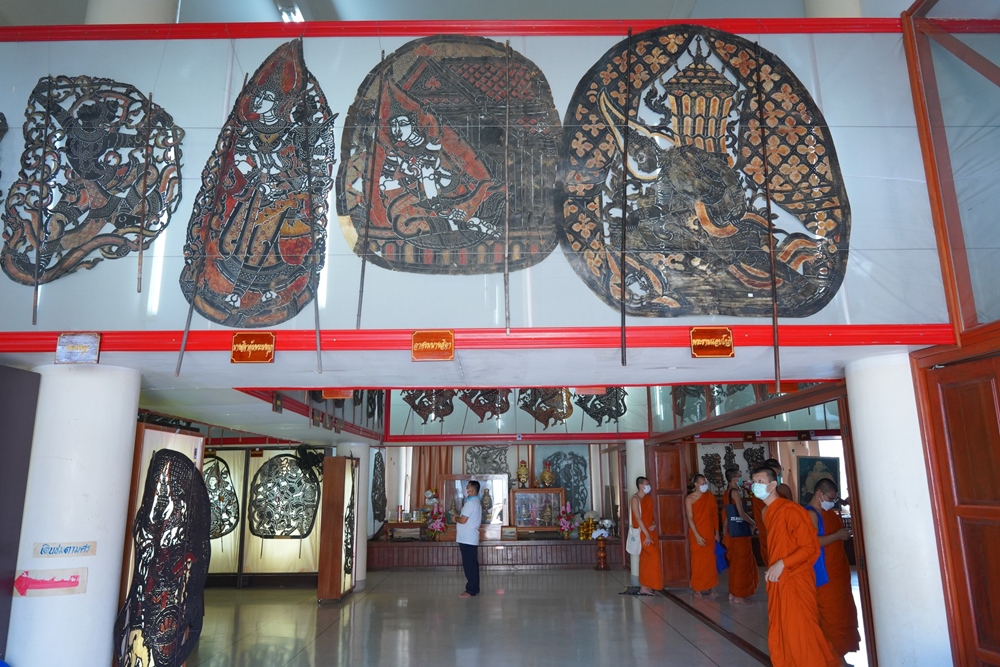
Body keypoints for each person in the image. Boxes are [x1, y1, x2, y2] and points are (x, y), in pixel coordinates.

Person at [752, 466, 837, 667]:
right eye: (754, 482)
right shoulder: (767, 512)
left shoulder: (790, 510)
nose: (756, 486)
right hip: (779, 579)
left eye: (760, 482)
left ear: (773, 485)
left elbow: (810, 547)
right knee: (783, 630)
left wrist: (782, 563)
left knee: (802, 632)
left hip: (796, 579)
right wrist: (777, 566)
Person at [808, 478, 861, 666]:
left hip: (838, 573)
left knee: (842, 615)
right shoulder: (810, 514)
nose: (832, 502)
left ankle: (840, 656)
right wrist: (837, 535)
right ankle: (832, 658)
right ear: (819, 494)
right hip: (824, 575)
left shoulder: (828, 513)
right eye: (830, 498)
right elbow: (811, 542)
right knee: (830, 618)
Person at [723, 468, 758, 604]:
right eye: (739, 476)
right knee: (742, 564)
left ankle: (733, 592)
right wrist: (753, 522)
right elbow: (741, 513)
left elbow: (727, 516)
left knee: (735, 564)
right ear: (734, 479)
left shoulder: (727, 492)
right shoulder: (735, 492)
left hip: (732, 531)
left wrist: (725, 532)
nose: (741, 479)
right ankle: (739, 595)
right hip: (740, 533)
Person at [685, 473, 719, 597]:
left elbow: (714, 514)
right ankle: (697, 588)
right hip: (696, 534)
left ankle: (711, 586)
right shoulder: (689, 499)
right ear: (696, 484)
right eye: (702, 483)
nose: (705, 485)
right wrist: (697, 535)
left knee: (710, 561)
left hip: (709, 532)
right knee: (697, 561)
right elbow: (690, 518)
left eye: (705, 483)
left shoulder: (709, 496)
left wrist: (717, 532)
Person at [630, 476, 663, 595]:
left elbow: (651, 516)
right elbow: (638, 518)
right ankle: (648, 584)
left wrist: (654, 524)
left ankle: (644, 587)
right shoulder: (635, 499)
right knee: (653, 556)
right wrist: (647, 535)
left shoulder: (648, 499)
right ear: (640, 486)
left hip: (650, 532)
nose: (648, 486)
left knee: (645, 559)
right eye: (646, 484)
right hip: (642, 533)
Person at [451, 480, 482, 598]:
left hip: (467, 538)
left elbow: (463, 520)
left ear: (472, 490)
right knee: (472, 564)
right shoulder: (475, 502)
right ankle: (474, 587)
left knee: (469, 565)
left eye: (467, 488)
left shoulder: (471, 503)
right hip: (469, 537)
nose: (466, 489)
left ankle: (471, 590)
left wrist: (455, 519)